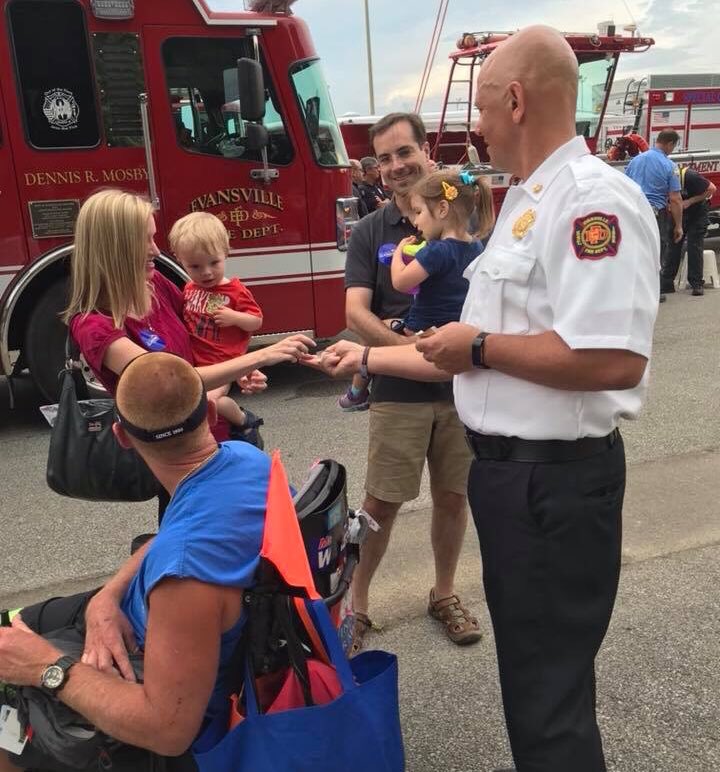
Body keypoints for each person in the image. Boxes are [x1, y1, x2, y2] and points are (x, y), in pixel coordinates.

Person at [310, 26, 659, 772]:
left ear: (516, 98)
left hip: (554, 485)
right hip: (515, 479)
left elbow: (612, 359)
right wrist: (373, 353)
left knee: (549, 700)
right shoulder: (525, 206)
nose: (476, 127)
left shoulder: (591, 203)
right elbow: (479, 353)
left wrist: (475, 347)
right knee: (533, 688)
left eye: (481, 107)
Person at [0, 352, 271, 771]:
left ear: (121, 436)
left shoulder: (182, 577)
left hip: (156, 687)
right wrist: (108, 597)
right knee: (9, 624)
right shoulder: (245, 459)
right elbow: (176, 534)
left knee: (9, 686)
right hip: (137, 618)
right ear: (212, 412)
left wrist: (45, 667)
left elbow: (167, 729)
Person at [65, 189, 312, 519]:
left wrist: (235, 368)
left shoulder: (156, 287)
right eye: (146, 240)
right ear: (117, 245)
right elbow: (173, 384)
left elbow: (204, 339)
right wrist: (259, 357)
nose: (156, 250)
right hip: (178, 464)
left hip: (216, 439)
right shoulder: (94, 325)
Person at [340, 112, 481, 654]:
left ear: (426, 150)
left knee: (454, 496)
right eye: (384, 158)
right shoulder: (372, 231)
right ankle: (357, 606)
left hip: (461, 391)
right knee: (380, 503)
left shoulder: (460, 216)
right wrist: (417, 353)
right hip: (399, 388)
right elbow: (356, 311)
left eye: (404, 152)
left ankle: (444, 595)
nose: (395, 166)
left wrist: (450, 354)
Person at [169, 211, 265, 433]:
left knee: (210, 400)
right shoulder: (190, 288)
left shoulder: (235, 290)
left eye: (214, 262)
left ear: (226, 252)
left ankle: (244, 422)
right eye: (195, 267)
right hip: (196, 362)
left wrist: (235, 318)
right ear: (179, 260)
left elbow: (256, 321)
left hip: (224, 363)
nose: (207, 272)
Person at [390, 169, 493, 334]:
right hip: (458, 328)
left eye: (418, 212)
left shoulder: (436, 250)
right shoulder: (476, 246)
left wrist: (398, 252)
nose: (415, 221)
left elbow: (400, 283)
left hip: (424, 331)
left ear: (442, 209)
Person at [625, 129, 683, 302]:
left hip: (633, 210)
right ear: (670, 144)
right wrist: (678, 225)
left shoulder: (635, 160)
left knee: (634, 250)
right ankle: (651, 293)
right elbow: (675, 198)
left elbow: (625, 184)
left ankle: (631, 290)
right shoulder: (669, 166)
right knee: (655, 251)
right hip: (654, 213)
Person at [660, 166, 716, 296]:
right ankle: (667, 283)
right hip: (677, 211)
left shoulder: (690, 176)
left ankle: (696, 283)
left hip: (698, 212)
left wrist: (690, 201)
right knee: (673, 244)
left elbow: (712, 188)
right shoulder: (662, 182)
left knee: (694, 245)